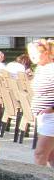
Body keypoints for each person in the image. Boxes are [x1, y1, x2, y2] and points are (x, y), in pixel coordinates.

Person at [29, 39, 54, 167]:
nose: (32, 57)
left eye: (34, 53)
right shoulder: (41, 68)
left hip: (51, 117)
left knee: (40, 154)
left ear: (45, 53)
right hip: (43, 117)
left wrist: (52, 108)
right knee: (51, 155)